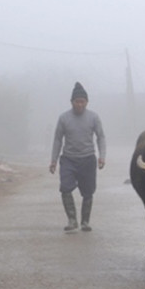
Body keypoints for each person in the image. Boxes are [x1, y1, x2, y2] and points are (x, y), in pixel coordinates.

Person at [50, 82, 106, 232]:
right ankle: (72, 220)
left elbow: (101, 137)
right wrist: (54, 160)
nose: (80, 104)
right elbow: (57, 139)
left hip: (88, 159)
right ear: (72, 102)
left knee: (88, 191)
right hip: (68, 159)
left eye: (82, 101)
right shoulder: (64, 118)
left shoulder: (93, 117)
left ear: (87, 102)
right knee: (65, 188)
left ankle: (85, 221)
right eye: (77, 101)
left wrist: (102, 156)